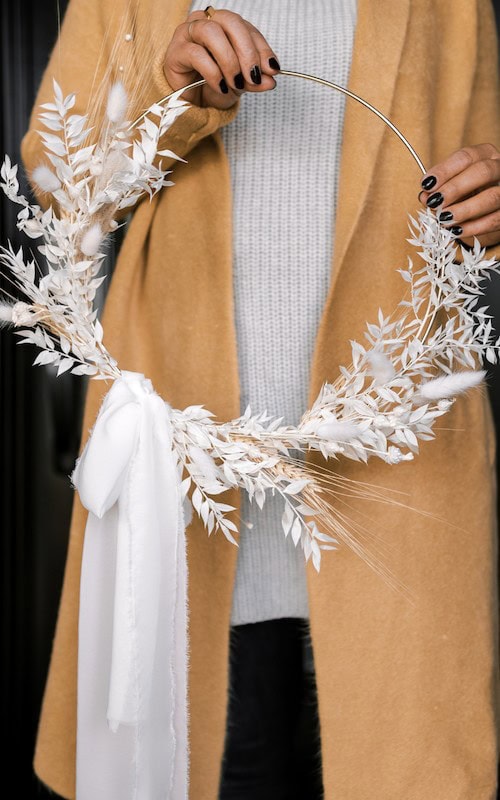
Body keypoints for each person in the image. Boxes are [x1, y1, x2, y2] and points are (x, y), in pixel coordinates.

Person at [20, 0, 500, 798]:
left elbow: (482, 186)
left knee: (405, 762)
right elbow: (58, 192)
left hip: (401, 471)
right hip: (183, 472)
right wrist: (164, 98)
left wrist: (490, 197)